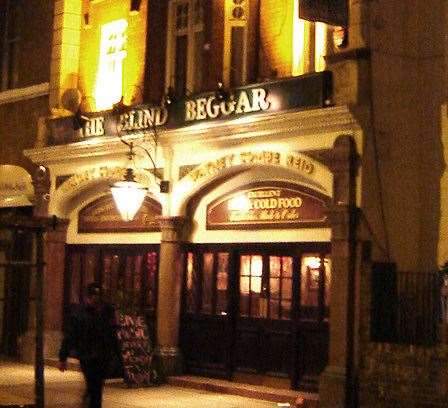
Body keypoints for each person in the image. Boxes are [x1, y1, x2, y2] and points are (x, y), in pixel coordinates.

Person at [58, 282, 121, 408]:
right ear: (89, 297)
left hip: (103, 356)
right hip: (87, 356)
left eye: (98, 297)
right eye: (93, 297)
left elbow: (111, 333)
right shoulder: (80, 314)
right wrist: (63, 357)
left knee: (96, 387)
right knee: (94, 386)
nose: (96, 300)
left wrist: (118, 354)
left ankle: (90, 400)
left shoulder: (105, 312)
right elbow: (70, 336)